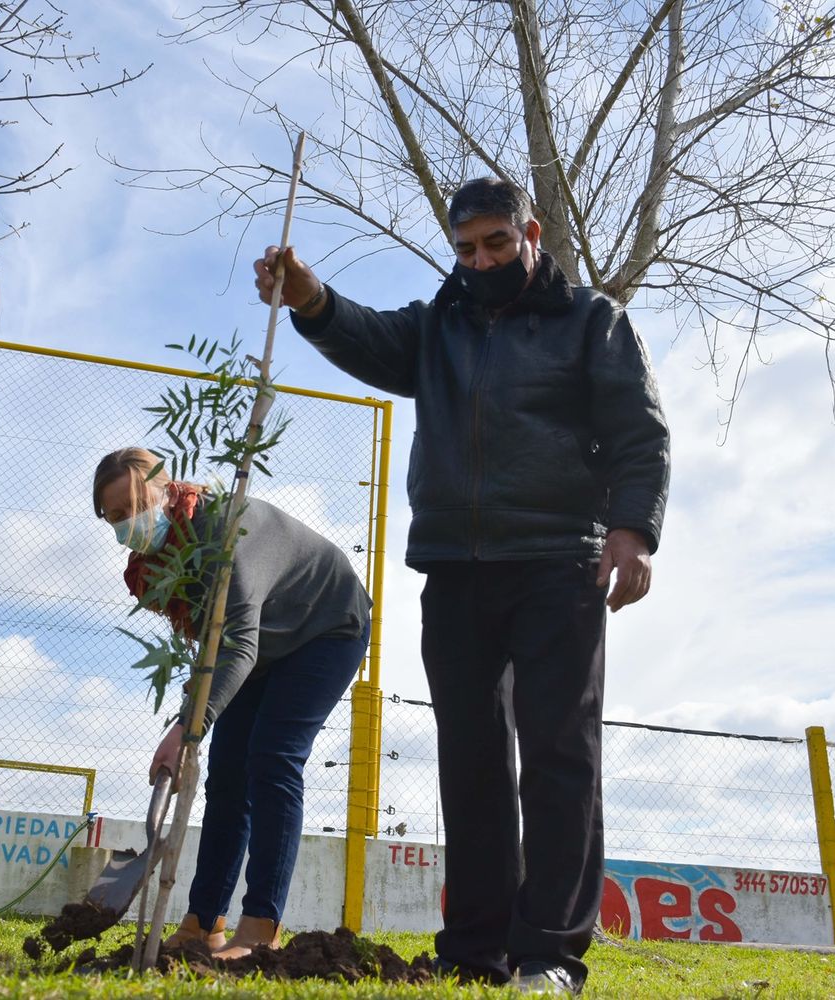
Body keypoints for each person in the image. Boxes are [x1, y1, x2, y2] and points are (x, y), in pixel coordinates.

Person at [253, 178, 670, 995]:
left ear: (532, 234)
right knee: (470, 760)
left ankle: (550, 952)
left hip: (560, 561)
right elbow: (367, 336)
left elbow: (640, 433)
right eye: (466, 250)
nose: (480, 262)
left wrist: (633, 529)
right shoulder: (437, 326)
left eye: (496, 245)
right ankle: (475, 951)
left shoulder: (593, 322)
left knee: (558, 754)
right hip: (455, 566)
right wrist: (309, 297)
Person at [93, 446, 372, 959]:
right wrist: (190, 717)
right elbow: (215, 648)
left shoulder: (226, 528)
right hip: (264, 646)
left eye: (133, 506)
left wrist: (186, 730)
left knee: (273, 756)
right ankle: (204, 924)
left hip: (326, 626)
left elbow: (239, 643)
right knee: (226, 776)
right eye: (112, 517)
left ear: (164, 487)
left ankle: (260, 928)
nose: (125, 524)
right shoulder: (162, 564)